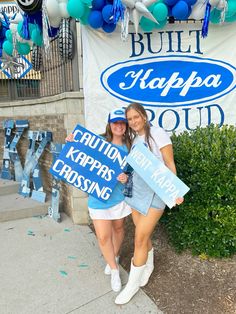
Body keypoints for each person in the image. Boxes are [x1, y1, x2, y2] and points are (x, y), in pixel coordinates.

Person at [115, 103, 184, 305]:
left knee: (139, 238)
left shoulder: (157, 133)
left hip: (156, 194)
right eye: (130, 119)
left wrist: (174, 191)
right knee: (143, 235)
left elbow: (170, 163)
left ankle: (132, 285)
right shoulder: (134, 139)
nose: (133, 121)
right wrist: (125, 177)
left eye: (136, 117)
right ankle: (148, 265)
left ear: (144, 116)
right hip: (137, 191)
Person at [66, 108, 132, 292]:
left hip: (119, 198)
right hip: (98, 198)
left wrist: (126, 177)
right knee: (103, 237)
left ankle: (115, 256)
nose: (119, 126)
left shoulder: (129, 146)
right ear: (109, 125)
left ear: (126, 126)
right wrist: (71, 142)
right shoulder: (98, 142)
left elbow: (132, 172)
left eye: (122, 123)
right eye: (115, 122)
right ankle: (114, 270)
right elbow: (78, 156)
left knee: (119, 228)